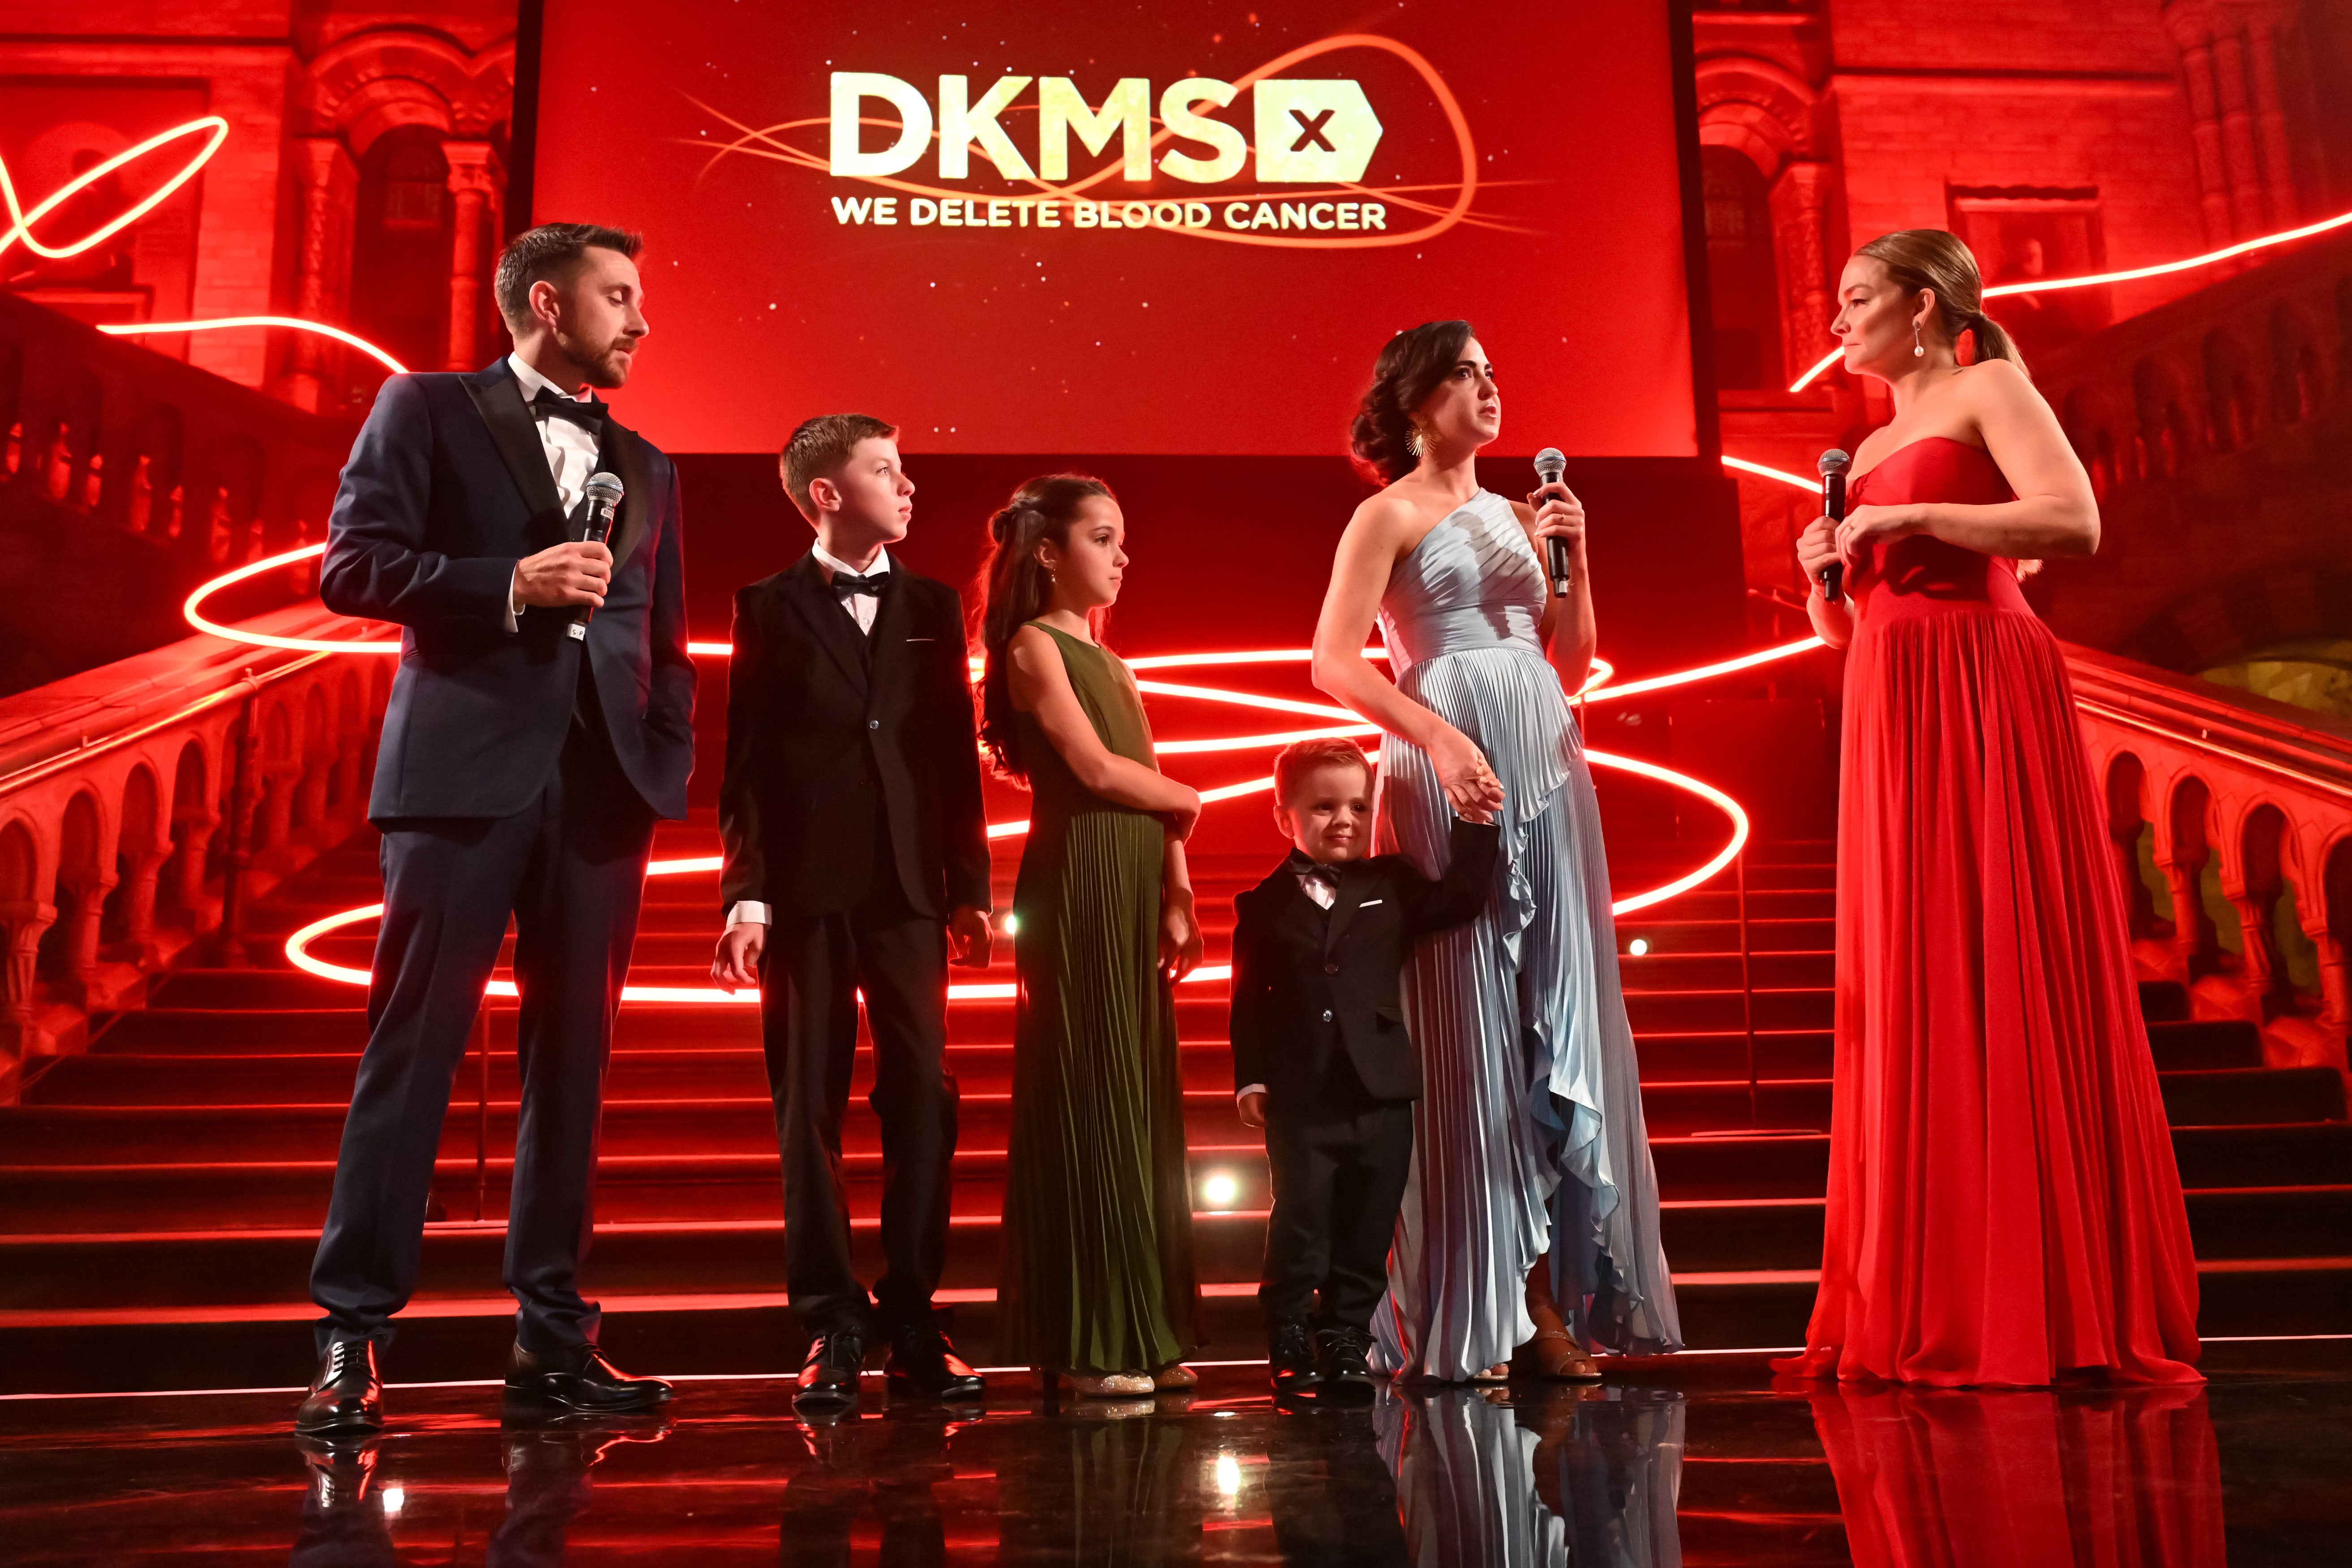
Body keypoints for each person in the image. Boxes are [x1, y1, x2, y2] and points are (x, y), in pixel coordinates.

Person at [1778, 229, 2202, 1387]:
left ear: (1923, 305)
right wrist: (1832, 577)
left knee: (1996, 951)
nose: (1837, 323)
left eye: (1856, 299)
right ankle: (1932, 1282)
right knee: (1917, 973)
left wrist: (1916, 524)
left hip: (1981, 681)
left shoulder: (1987, 385)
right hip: (1893, 695)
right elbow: (1857, 625)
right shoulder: (1867, 443)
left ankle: (2029, 1291)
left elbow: (2074, 521)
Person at [301, 223, 694, 1435]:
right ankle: (351, 1338)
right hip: (462, 780)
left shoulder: (649, 461)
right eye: (617, 296)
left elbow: (659, 634)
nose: (639, 320)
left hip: (600, 797)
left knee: (572, 1073)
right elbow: (352, 568)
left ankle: (553, 1342)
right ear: (542, 302)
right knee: (411, 1058)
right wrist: (508, 584)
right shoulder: (424, 406)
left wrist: (659, 759)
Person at [1310, 320, 1681, 1383]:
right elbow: (1334, 660)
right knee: (1470, 1022)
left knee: (1555, 1010)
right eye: (1466, 373)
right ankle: (1490, 1310)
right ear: (1419, 400)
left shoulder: (1530, 514)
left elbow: (1571, 657)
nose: (1488, 386)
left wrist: (1577, 550)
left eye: (1492, 368)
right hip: (1447, 756)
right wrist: (1437, 735)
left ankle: (1563, 1301)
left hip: (1548, 754)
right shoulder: (1385, 514)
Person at [711, 414, 995, 1410]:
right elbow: (745, 766)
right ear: (826, 493)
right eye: (885, 470)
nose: (908, 484)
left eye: (904, 468)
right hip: (800, 894)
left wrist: (969, 890)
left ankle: (913, 1316)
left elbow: (953, 763)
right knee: (809, 1110)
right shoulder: (767, 607)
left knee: (924, 1097)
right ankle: (831, 1325)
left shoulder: (931, 602)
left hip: (911, 892)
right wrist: (744, 893)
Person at [977, 474, 1206, 1397]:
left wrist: (1178, 886)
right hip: (1076, 885)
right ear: (1047, 552)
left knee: (1136, 1098)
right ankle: (1086, 1342)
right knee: (1089, 1095)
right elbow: (1096, 768)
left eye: (1120, 539)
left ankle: (1145, 1331)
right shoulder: (1033, 646)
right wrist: (1193, 801)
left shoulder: (1112, 659)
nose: (1121, 556)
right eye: (1102, 538)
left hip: (1131, 880)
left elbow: (1137, 772)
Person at [1228, 737, 1499, 1399]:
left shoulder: (1391, 883)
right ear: (1282, 815)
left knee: (1368, 1221)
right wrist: (1252, 1077)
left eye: (1356, 804)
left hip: (1380, 1091)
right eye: (1323, 807)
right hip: (1302, 1094)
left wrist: (1476, 825)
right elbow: (1248, 1003)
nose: (1343, 820)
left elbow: (1460, 901)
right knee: (1299, 1218)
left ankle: (1345, 1335)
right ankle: (1289, 1334)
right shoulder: (1260, 906)